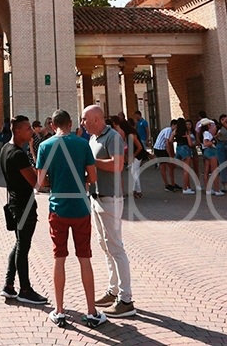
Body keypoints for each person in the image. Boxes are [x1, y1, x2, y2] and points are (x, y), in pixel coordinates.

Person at [35, 109, 105, 328]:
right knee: (85, 258)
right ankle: (92, 311)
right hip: (81, 207)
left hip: (58, 207)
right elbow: (93, 177)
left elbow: (41, 182)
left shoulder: (44, 147)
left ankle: (59, 310)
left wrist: (56, 180)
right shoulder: (82, 144)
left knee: (59, 258)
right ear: (71, 123)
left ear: (52, 125)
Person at [83, 105, 135, 319]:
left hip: (110, 198)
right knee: (105, 245)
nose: (83, 123)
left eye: (85, 119)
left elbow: (118, 165)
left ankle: (126, 299)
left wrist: (91, 163)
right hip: (96, 197)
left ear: (96, 119)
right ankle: (113, 290)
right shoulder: (93, 139)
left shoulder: (112, 137)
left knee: (116, 247)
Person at [0, 115, 48, 305]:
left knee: (19, 244)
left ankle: (9, 285)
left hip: (14, 203)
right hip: (23, 205)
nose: (31, 131)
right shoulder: (17, 154)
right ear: (18, 131)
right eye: (28, 128)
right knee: (23, 247)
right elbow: (37, 182)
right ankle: (25, 289)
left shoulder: (5, 149)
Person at [154, 120, 175, 192]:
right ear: (173, 125)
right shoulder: (169, 130)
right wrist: (170, 155)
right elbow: (167, 143)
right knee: (164, 166)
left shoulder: (169, 130)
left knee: (170, 166)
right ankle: (167, 185)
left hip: (160, 149)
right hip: (160, 149)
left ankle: (172, 183)